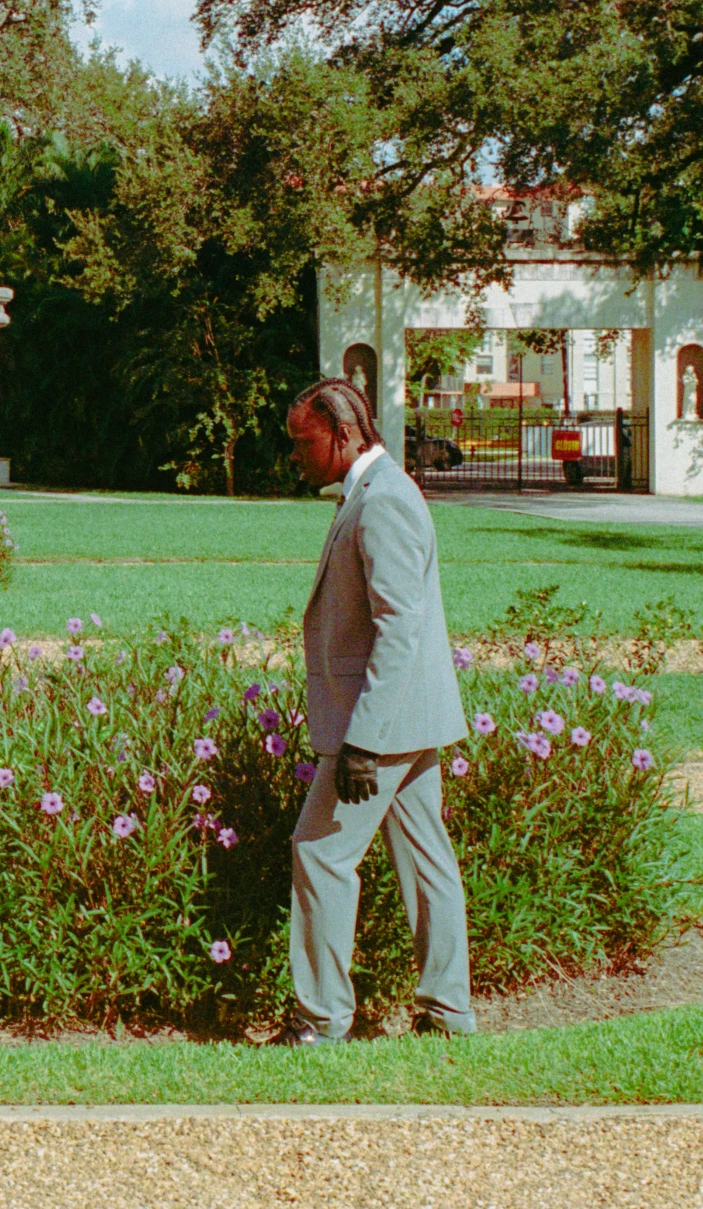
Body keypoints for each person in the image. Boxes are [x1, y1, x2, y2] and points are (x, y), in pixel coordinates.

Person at [281, 376, 474, 1046]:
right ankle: (447, 1013)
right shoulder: (376, 492)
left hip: (381, 723)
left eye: (303, 442)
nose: (296, 456)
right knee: (426, 863)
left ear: (340, 434)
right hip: (410, 717)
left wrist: (361, 740)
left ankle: (321, 1018)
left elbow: (398, 628)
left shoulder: (382, 501)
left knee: (320, 853)